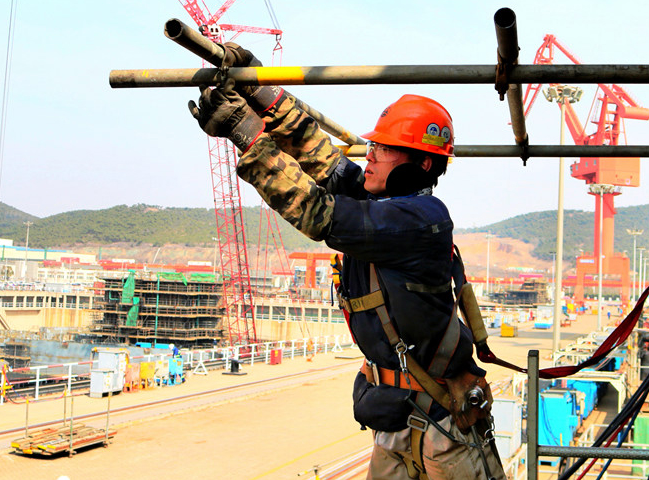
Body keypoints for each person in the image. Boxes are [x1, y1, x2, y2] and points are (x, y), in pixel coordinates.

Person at [187, 43, 505, 480]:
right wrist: (262, 92)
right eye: (373, 143)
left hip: (446, 428)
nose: (369, 153)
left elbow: (319, 212)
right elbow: (323, 159)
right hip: (396, 421)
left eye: (385, 148)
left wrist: (248, 134)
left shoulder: (420, 219)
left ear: (421, 164)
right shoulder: (381, 203)